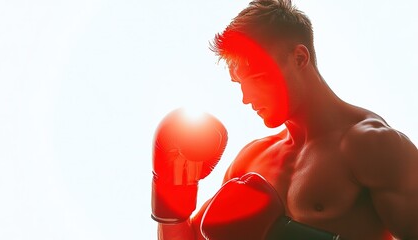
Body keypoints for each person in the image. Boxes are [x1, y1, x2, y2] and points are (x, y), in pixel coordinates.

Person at [152, 0, 418, 239]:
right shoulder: (252, 160)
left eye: (256, 77)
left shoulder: (372, 145)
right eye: (239, 83)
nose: (246, 97)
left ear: (299, 58)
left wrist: (284, 235)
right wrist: (172, 190)